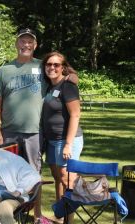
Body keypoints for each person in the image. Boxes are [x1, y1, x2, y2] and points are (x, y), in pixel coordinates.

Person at [0, 28, 78, 219]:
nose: (26, 45)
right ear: (16, 43)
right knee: (7, 173)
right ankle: (9, 212)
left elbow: (63, 76)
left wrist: (72, 77)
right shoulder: (4, 71)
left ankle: (36, 215)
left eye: (30, 42)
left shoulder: (43, 66)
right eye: (22, 41)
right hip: (8, 132)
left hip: (35, 132)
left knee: (33, 174)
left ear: (35, 45)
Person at [41, 51, 83, 201]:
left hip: (66, 140)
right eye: (49, 64)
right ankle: (60, 216)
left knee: (67, 179)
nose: (52, 67)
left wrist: (68, 144)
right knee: (57, 177)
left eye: (56, 65)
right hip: (51, 141)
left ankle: (69, 220)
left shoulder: (68, 86)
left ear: (63, 68)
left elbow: (75, 115)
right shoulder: (49, 86)